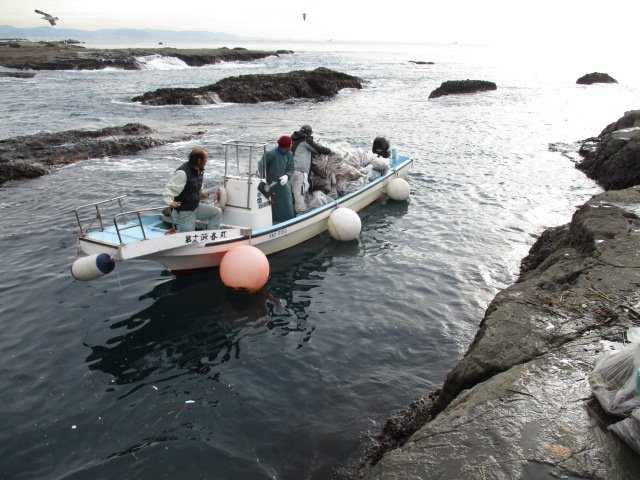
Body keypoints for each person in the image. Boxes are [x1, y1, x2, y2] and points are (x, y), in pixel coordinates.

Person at [162, 147, 222, 232]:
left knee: (216, 212)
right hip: (184, 212)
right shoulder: (182, 173)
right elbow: (169, 189)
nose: (207, 161)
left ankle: (211, 237)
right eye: (206, 158)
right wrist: (170, 202)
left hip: (195, 207)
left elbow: (192, 187)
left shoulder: (199, 170)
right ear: (199, 160)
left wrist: (202, 193)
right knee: (188, 236)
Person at [290, 125, 333, 215]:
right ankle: (300, 214)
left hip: (290, 170)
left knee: (292, 192)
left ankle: (290, 212)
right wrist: (330, 151)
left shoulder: (293, 139)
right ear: (309, 133)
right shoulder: (305, 140)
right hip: (299, 170)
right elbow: (317, 149)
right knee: (300, 193)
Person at [257, 136, 295, 224]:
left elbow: (291, 168)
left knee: (287, 206)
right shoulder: (271, 154)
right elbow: (261, 164)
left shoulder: (289, 154)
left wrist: (287, 176)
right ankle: (273, 223)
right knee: (273, 206)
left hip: (284, 185)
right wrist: (263, 179)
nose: (292, 145)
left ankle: (288, 223)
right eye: (291, 144)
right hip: (271, 185)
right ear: (286, 145)